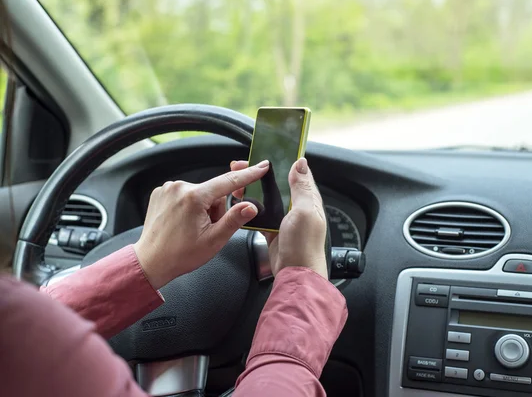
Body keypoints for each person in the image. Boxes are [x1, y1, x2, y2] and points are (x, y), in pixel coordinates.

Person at [0, 158, 348, 396]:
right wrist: (300, 283)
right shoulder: (21, 331)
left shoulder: (21, 328)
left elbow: (31, 328)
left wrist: (146, 261)